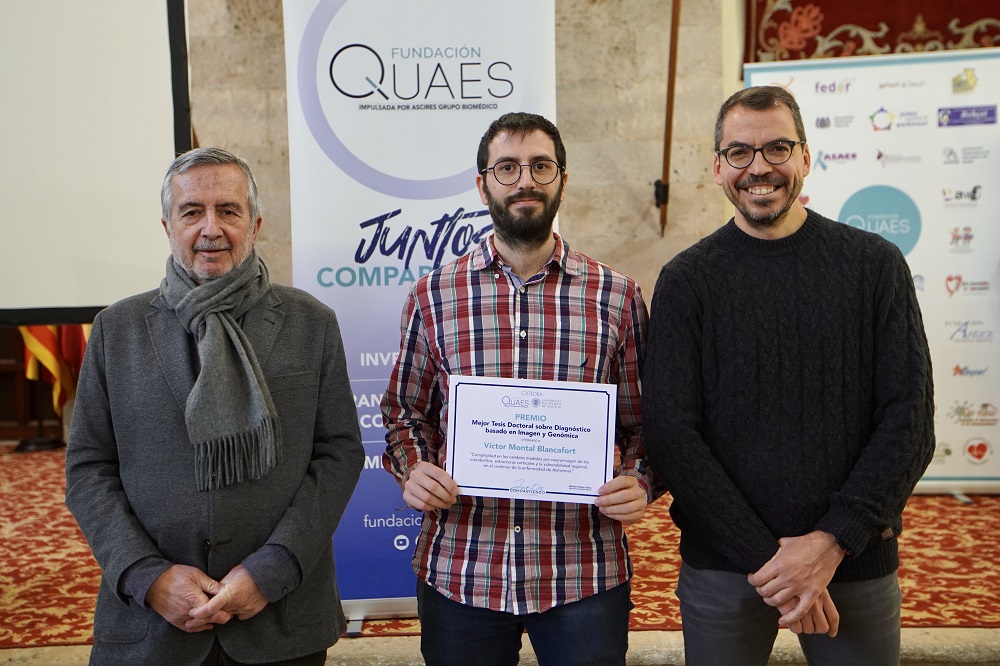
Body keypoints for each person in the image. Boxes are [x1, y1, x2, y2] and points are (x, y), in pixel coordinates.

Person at [642, 85, 935, 665]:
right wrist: (773, 563)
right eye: (739, 152)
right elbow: (672, 435)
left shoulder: (875, 265)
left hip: (852, 562)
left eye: (777, 148)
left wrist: (829, 544)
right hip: (726, 568)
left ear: (805, 156)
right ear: (718, 167)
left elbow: (910, 422)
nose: (759, 168)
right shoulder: (686, 281)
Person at [380, 112, 662, 666]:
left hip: (582, 570)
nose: (525, 180)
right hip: (463, 566)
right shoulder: (433, 296)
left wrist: (639, 479)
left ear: (562, 181)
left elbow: (644, 423)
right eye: (507, 167)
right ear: (483, 184)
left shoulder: (617, 297)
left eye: (541, 166)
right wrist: (414, 469)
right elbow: (405, 413)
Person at [65, 147, 365, 665]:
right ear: (168, 226)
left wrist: (271, 570)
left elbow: (339, 453)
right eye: (192, 212)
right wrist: (146, 576)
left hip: (279, 617)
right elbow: (88, 467)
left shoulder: (311, 323)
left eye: (228, 210)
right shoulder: (116, 329)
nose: (211, 228)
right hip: (150, 625)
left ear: (255, 224)